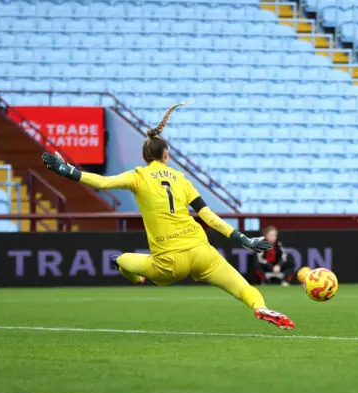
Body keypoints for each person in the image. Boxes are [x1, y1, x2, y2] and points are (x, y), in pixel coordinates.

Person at [41, 102, 295, 330]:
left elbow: (103, 182)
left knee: (120, 260)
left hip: (169, 262)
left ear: (144, 157)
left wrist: (69, 172)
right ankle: (260, 308)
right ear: (166, 156)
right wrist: (244, 240)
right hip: (201, 252)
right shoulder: (181, 178)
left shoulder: (138, 175)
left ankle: (136, 277)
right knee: (244, 289)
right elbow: (208, 216)